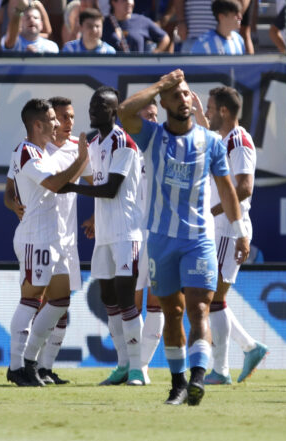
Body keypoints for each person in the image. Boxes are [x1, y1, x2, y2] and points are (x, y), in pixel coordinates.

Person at [117, 69, 250, 406]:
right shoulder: (151, 136)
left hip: (198, 239)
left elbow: (228, 190)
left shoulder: (211, 142)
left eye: (187, 94)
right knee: (171, 312)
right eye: (175, 95)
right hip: (161, 240)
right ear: (162, 103)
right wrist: (161, 83)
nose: (184, 99)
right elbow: (123, 112)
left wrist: (239, 232)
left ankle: (198, 378)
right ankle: (177, 384)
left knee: (199, 308)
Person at [59, 86, 146, 387]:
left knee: (125, 298)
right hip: (105, 235)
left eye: (101, 105)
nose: (93, 109)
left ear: (114, 111)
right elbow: (91, 178)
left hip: (126, 232)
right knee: (108, 297)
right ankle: (123, 364)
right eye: (93, 104)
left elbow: (110, 189)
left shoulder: (123, 141)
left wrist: (71, 188)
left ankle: (138, 369)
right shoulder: (95, 143)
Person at [5, 98, 88, 386]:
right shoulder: (28, 153)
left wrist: (80, 160)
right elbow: (55, 184)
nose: (57, 123)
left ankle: (31, 361)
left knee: (60, 299)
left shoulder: (35, 153)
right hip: (36, 238)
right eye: (52, 119)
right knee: (31, 301)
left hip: (53, 238)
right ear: (37, 124)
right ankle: (17, 366)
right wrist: (81, 160)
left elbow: (56, 183)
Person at [203, 86, 268, 385]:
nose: (207, 112)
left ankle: (221, 369)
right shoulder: (224, 139)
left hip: (230, 226)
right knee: (213, 297)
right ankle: (249, 348)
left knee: (213, 299)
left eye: (210, 108)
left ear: (224, 112)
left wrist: (212, 212)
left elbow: (244, 188)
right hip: (223, 226)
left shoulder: (239, 141)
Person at [135, 100, 164, 385]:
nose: (153, 120)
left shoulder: (166, 147)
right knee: (129, 304)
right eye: (147, 116)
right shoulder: (127, 149)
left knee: (156, 302)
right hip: (129, 235)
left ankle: (141, 365)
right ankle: (130, 362)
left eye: (156, 115)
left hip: (157, 234)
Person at [102, 0, 170, 52]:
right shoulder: (103, 23)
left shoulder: (142, 21)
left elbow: (165, 38)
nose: (129, 2)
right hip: (110, 68)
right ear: (113, 2)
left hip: (137, 67)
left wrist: (155, 53)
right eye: (124, 0)